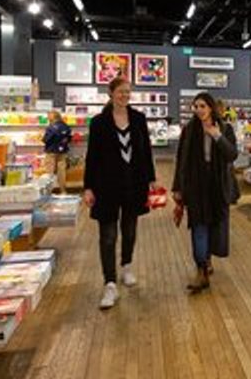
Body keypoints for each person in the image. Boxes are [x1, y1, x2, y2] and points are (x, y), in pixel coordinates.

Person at [83, 76, 158, 309]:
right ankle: (110, 283)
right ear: (111, 93)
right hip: (106, 186)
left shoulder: (138, 119)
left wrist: (152, 179)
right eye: (121, 92)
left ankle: (126, 265)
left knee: (130, 229)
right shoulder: (98, 122)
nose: (125, 96)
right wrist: (88, 187)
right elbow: (92, 157)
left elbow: (146, 151)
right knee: (107, 236)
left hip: (134, 184)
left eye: (128, 92)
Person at [172, 92, 239, 293]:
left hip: (217, 186)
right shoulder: (189, 130)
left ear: (211, 107)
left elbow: (232, 155)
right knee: (199, 226)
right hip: (196, 185)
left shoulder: (224, 129)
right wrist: (177, 188)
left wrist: (216, 135)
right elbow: (181, 159)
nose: (199, 110)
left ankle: (207, 259)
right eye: (196, 106)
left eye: (203, 106)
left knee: (214, 226)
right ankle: (201, 270)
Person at [41, 110, 72, 191]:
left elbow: (46, 139)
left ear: (53, 117)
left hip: (51, 151)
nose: (47, 117)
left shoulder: (51, 127)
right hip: (63, 151)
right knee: (62, 172)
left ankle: (49, 191)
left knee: (49, 172)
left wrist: (44, 139)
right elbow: (69, 138)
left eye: (48, 116)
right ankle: (63, 190)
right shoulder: (66, 126)